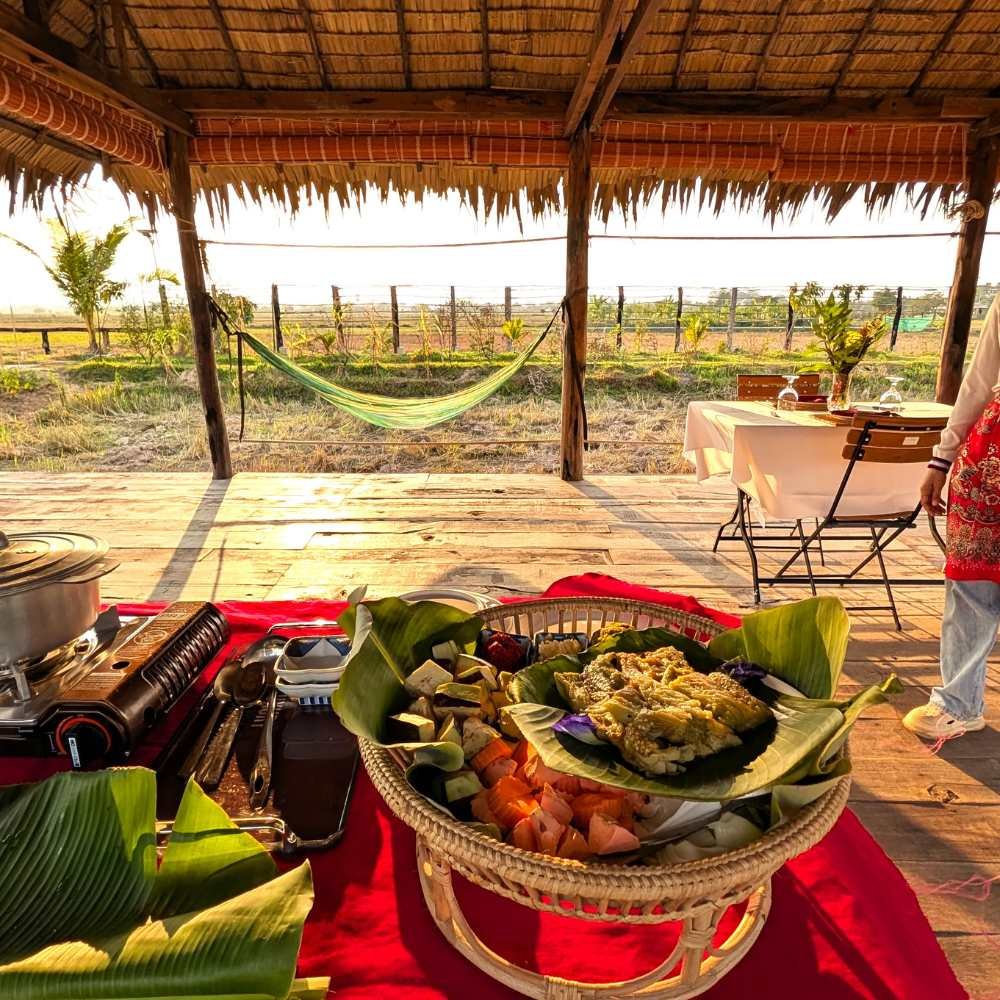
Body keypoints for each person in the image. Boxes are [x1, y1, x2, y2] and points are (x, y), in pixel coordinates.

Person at [903, 294, 1000, 740]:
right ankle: (958, 704)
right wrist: (941, 459)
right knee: (972, 587)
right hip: (990, 460)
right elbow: (979, 381)